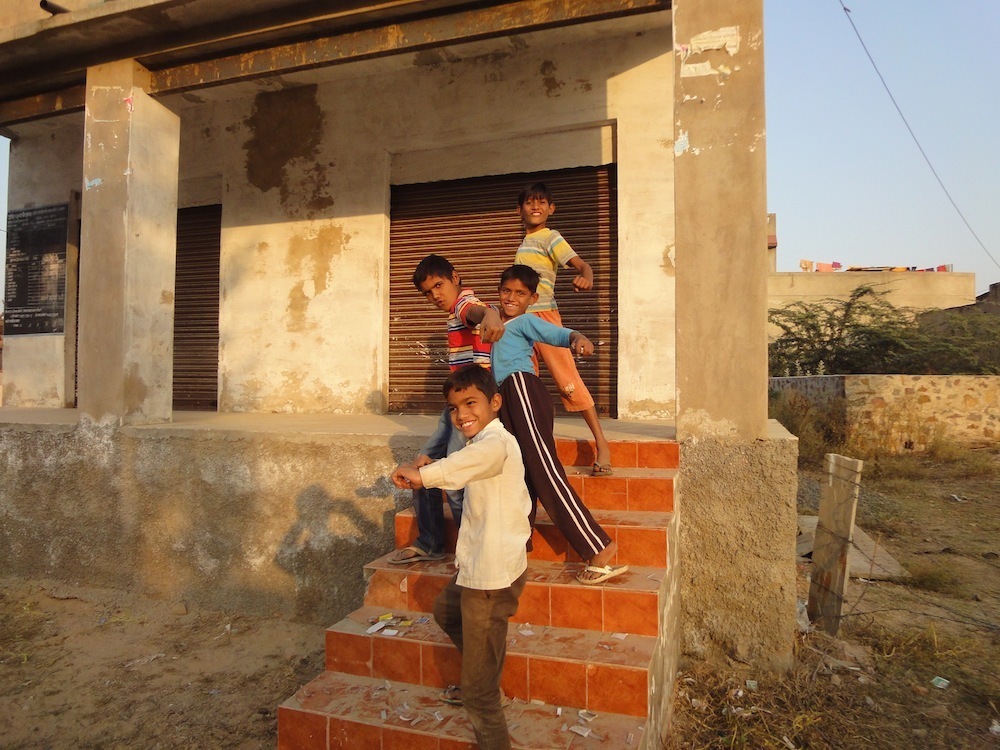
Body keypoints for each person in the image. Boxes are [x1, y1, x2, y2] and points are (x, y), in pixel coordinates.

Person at [391, 365, 530, 750]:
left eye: (470, 403)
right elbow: (463, 465)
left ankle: (483, 685)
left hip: (490, 577)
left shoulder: (495, 444)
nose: (461, 414)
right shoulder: (481, 442)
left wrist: (422, 475)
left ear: (495, 403)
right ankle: (484, 670)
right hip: (480, 564)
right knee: (447, 611)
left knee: (477, 696)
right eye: (454, 408)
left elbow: (461, 467)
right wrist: (430, 468)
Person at [492, 264, 627, 585]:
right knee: (517, 474)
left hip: (522, 389)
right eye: (507, 291)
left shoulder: (525, 321)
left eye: (520, 293)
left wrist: (577, 337)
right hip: (505, 399)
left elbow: (554, 334)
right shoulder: (493, 322)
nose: (512, 298)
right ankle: (516, 547)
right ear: (498, 291)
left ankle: (598, 547)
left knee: (543, 471)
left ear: (532, 298)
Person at [389, 254, 504, 564]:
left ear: (455, 277)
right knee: (422, 467)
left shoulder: (465, 303)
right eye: (428, 292)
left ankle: (473, 550)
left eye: (438, 285)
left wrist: (490, 315)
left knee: (454, 481)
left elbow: (477, 312)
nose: (435, 295)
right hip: (453, 405)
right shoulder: (454, 311)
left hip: (468, 408)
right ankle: (430, 542)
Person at [514, 181, 614, 476]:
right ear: (519, 209)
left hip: (544, 317)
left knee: (567, 379)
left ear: (551, 209)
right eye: (530, 202)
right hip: (521, 325)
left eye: (542, 202)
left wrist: (587, 275)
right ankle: (530, 450)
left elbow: (582, 265)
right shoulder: (523, 244)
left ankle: (601, 443)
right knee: (524, 384)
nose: (535, 206)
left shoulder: (551, 237)